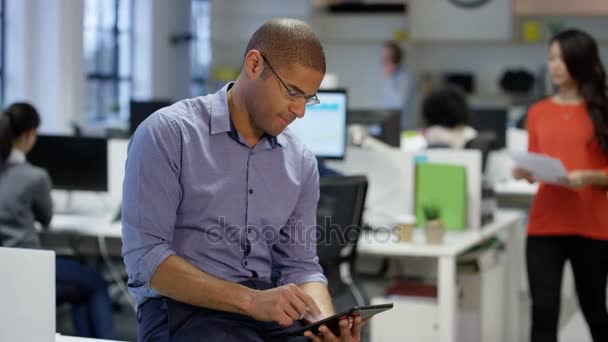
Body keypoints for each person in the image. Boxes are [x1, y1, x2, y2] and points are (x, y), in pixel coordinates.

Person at [122, 18, 364, 342]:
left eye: (309, 98)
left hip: (267, 312)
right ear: (254, 64)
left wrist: (324, 323)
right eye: (293, 92)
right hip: (183, 309)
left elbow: (301, 266)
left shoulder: (300, 161)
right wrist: (251, 301)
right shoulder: (169, 134)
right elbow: (146, 259)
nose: (300, 111)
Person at [512, 29, 608, 342]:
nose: (554, 65)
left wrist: (588, 177)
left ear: (580, 61)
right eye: (551, 58)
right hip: (545, 225)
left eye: (562, 58)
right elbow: (537, 162)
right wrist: (525, 171)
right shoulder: (538, 112)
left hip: (592, 227)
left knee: (595, 310)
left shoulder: (602, 110)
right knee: (543, 313)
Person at [0, 103, 114, 339]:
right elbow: (47, 218)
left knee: (80, 291)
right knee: (96, 283)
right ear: (31, 134)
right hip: (29, 266)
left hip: (5, 270)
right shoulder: (34, 177)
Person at [381, 40, 413, 128]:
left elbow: (397, 105)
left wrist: (389, 78)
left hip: (401, 127)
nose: (383, 60)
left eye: (386, 57)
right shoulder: (390, 76)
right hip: (390, 124)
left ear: (395, 58)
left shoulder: (405, 76)